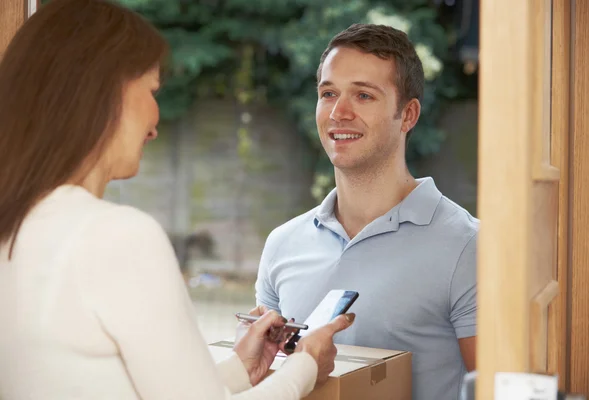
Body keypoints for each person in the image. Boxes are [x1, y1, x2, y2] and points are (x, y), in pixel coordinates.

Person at [0, 1, 354, 399]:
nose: (155, 121)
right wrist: (306, 363)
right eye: (151, 90)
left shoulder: (20, 226)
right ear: (103, 92)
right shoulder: (114, 236)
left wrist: (240, 368)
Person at [255, 24, 478, 400]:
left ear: (407, 115)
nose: (339, 112)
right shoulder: (282, 244)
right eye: (328, 93)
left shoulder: (468, 246)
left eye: (363, 95)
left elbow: (495, 388)